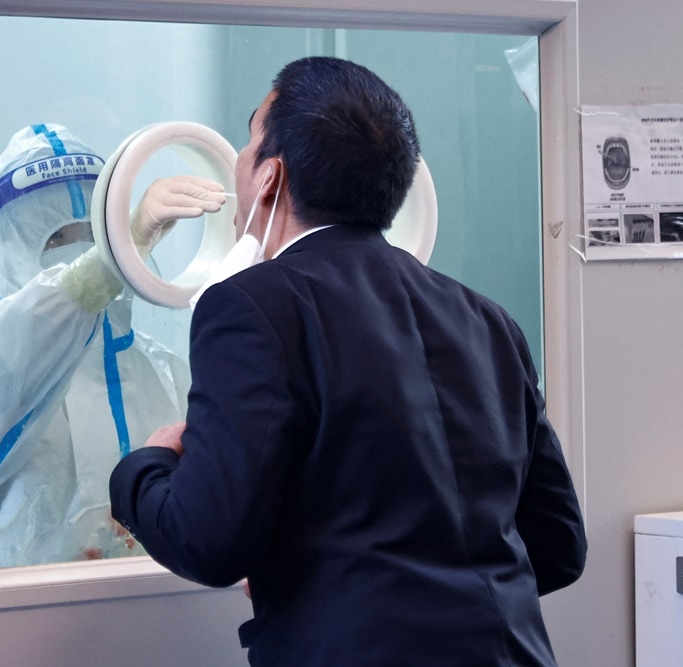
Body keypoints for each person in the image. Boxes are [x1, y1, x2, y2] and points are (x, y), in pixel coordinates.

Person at [108, 58, 586, 665]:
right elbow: (559, 545)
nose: (239, 160)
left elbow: (209, 543)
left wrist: (143, 468)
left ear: (270, 179)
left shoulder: (251, 309)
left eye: (251, 138)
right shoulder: (487, 318)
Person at [0, 123, 225, 569]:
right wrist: (118, 252)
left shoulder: (164, 371)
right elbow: (26, 344)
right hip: (16, 623)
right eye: (55, 239)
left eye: (90, 234)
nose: (77, 254)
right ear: (10, 248)